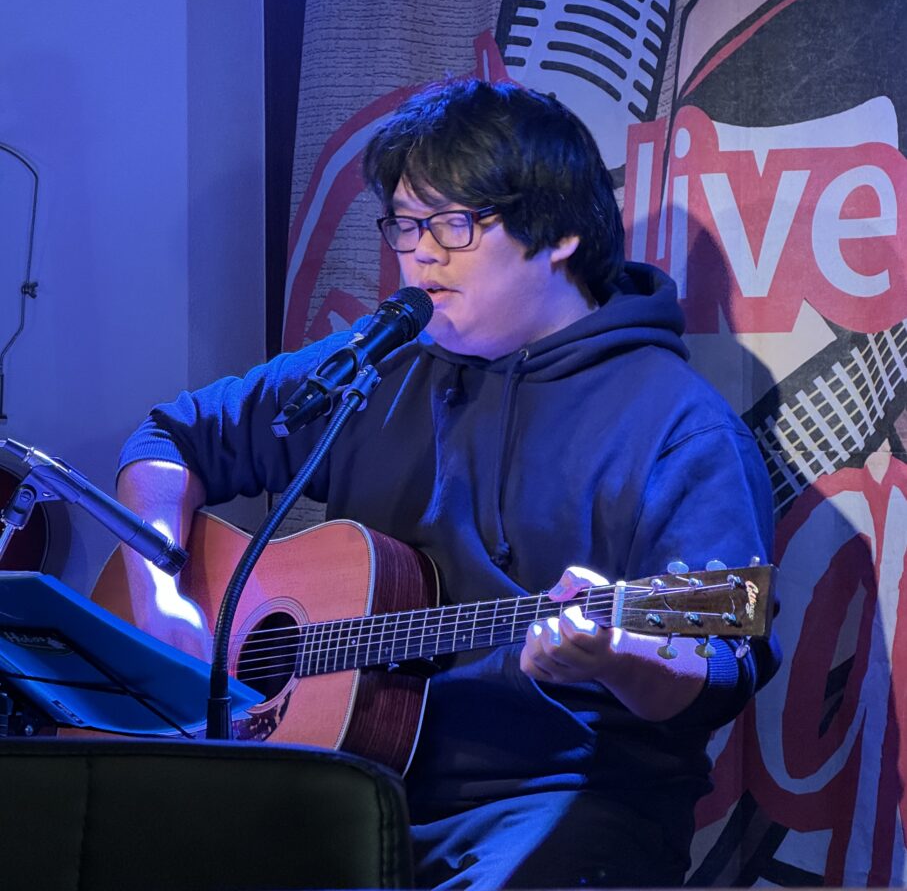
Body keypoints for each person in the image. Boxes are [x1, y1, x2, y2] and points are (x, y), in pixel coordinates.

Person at [117, 78, 780, 889]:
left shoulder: (680, 431)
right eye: (403, 223)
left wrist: (615, 656)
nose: (418, 253)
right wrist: (160, 592)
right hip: (333, 778)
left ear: (559, 232)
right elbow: (172, 439)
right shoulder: (377, 364)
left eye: (452, 224)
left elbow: (716, 670)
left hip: (554, 800)